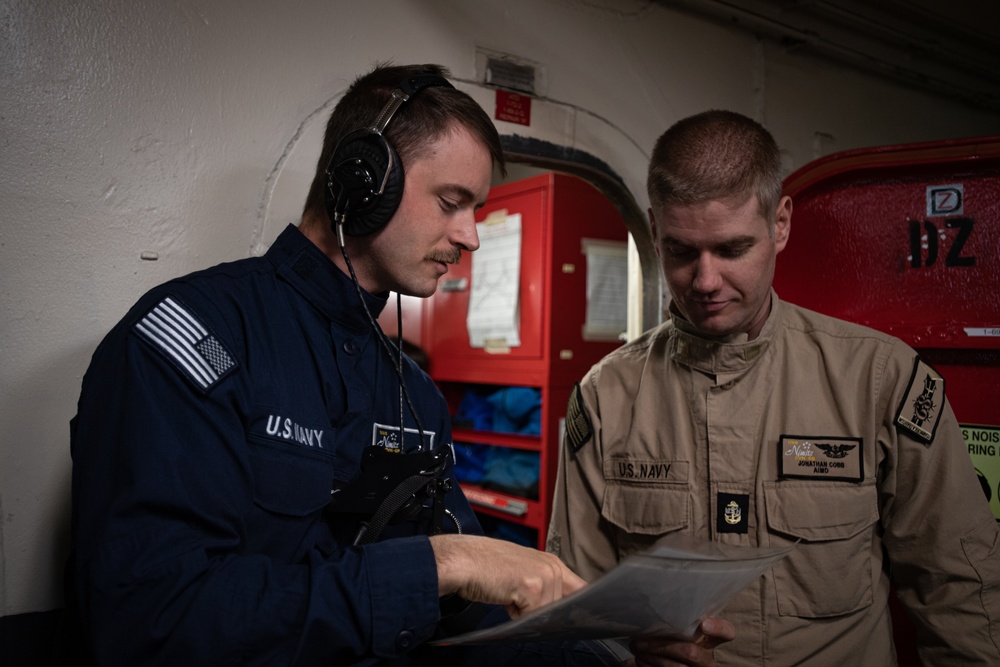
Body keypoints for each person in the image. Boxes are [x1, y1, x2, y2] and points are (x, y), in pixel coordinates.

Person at [63, 63, 733, 666]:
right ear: (363, 181)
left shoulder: (412, 391)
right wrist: (440, 564)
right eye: (452, 202)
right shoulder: (195, 340)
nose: (471, 235)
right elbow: (149, 622)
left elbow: (473, 612)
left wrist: (612, 645)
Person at [547, 110, 1000, 665]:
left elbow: (960, 592)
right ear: (654, 228)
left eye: (733, 249)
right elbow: (573, 606)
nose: (706, 281)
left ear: (780, 224)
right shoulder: (605, 398)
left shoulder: (879, 379)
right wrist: (629, 653)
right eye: (682, 252)